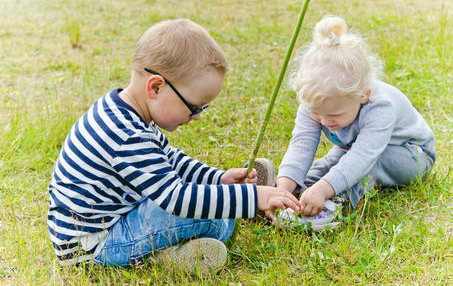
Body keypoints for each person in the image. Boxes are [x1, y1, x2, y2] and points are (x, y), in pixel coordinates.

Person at [47, 19, 300, 273]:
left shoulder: (128, 112)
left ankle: (190, 239)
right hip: (95, 246)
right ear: (156, 87)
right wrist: (252, 197)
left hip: (113, 221)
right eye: (193, 107)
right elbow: (175, 198)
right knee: (205, 216)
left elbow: (171, 160)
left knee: (205, 201)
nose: (198, 116)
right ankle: (222, 220)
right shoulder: (126, 133)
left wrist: (217, 179)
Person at [275, 15, 436, 231]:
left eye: (334, 115)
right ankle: (291, 195)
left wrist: (325, 189)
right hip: (353, 148)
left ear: (363, 95)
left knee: (363, 168)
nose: (324, 121)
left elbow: (362, 157)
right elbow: (302, 143)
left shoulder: (381, 106)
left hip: (411, 155)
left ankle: (337, 200)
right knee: (326, 164)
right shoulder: (316, 100)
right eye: (316, 114)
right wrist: (285, 184)